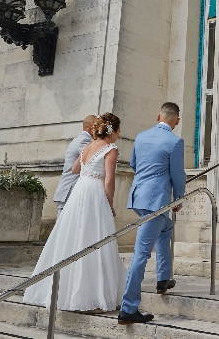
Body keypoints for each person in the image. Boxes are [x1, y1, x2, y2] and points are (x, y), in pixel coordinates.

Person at [23, 113, 127, 312]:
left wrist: (89, 171)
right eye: (118, 131)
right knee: (94, 239)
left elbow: (75, 168)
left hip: (80, 191)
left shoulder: (88, 146)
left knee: (73, 237)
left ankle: (63, 292)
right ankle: (91, 297)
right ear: (112, 131)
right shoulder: (110, 149)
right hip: (95, 193)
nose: (118, 135)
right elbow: (110, 181)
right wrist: (110, 204)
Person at [118, 102, 185, 325]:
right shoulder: (175, 141)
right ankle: (128, 308)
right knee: (141, 253)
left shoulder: (141, 136)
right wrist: (178, 198)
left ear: (158, 116)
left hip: (138, 196)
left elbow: (135, 164)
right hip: (156, 201)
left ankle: (163, 278)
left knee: (166, 228)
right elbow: (177, 174)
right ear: (176, 121)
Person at [53, 116, 96, 216]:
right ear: (91, 127)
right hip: (70, 189)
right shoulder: (84, 141)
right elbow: (90, 162)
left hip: (69, 189)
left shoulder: (78, 139)